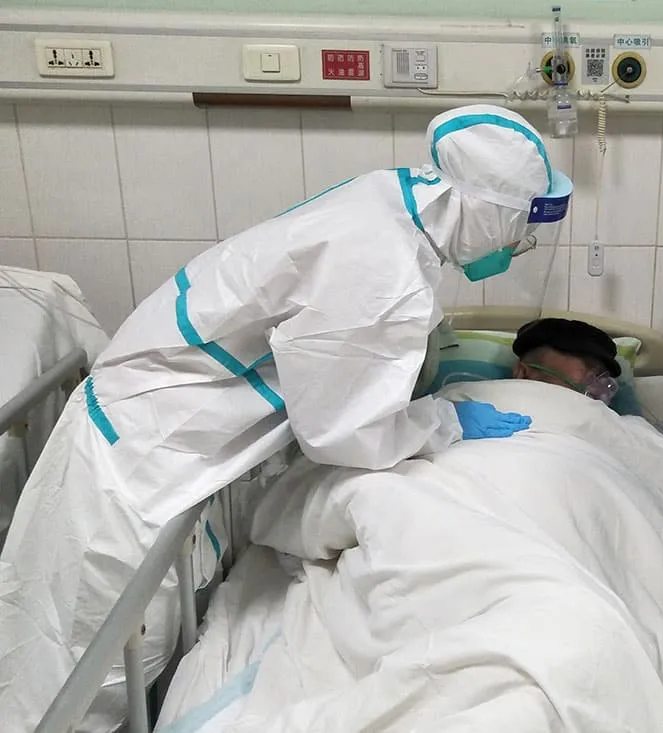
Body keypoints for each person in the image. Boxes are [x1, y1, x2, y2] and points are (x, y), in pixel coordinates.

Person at [0, 103, 572, 731]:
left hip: (159, 438)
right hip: (137, 463)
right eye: (523, 228)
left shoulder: (394, 202)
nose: (522, 246)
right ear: (487, 210)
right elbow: (346, 436)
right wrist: (445, 423)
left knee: (78, 657)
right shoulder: (382, 266)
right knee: (79, 677)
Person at [511, 318, 621, 406]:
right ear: (523, 373)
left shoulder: (622, 427)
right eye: (586, 365)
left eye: (601, 375)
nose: (598, 385)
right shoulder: (497, 406)